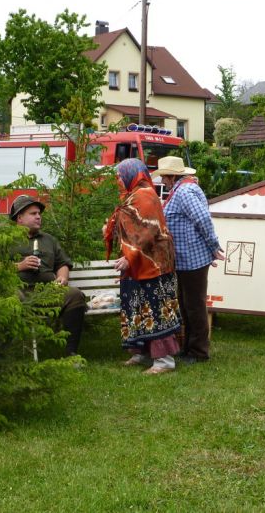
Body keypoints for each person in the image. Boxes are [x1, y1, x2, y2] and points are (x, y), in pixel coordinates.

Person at [104, 159, 181, 374]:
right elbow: (130, 226)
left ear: (132, 174)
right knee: (136, 307)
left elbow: (149, 229)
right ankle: (141, 352)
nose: (118, 180)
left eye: (120, 175)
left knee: (155, 309)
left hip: (152, 265)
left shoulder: (145, 195)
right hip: (137, 266)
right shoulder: (132, 195)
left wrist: (130, 256)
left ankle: (164, 360)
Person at [151, 156, 226, 364]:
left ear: (172, 176)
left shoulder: (185, 191)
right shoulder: (181, 189)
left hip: (193, 259)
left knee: (194, 306)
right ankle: (188, 348)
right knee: (186, 305)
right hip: (185, 259)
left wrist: (213, 247)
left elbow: (202, 219)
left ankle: (199, 352)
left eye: (164, 177)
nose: (163, 181)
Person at [10, 195, 86, 356]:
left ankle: (71, 353)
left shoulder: (48, 240)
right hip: (20, 291)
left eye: (39, 213)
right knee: (12, 299)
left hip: (48, 291)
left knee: (75, 295)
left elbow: (62, 263)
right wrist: (20, 265)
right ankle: (8, 353)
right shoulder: (7, 240)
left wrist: (62, 277)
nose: (38, 217)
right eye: (33, 213)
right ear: (20, 218)